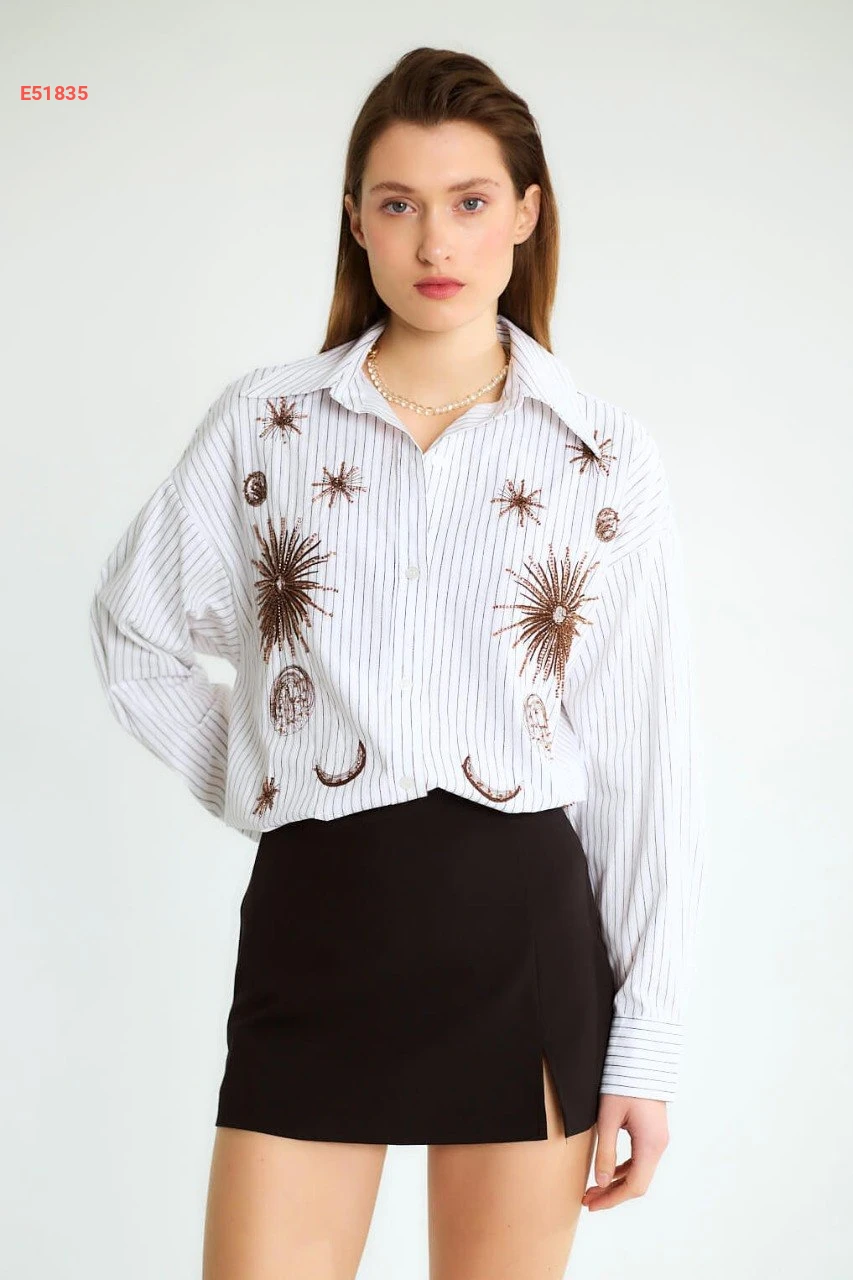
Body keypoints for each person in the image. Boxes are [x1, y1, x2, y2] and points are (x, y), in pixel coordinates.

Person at [89, 45, 707, 1280]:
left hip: (521, 942)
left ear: (524, 213)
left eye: (470, 201)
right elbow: (135, 633)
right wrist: (270, 779)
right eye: (398, 203)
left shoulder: (601, 458)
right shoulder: (265, 425)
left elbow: (642, 764)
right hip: (316, 928)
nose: (436, 240)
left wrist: (647, 1043)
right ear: (356, 220)